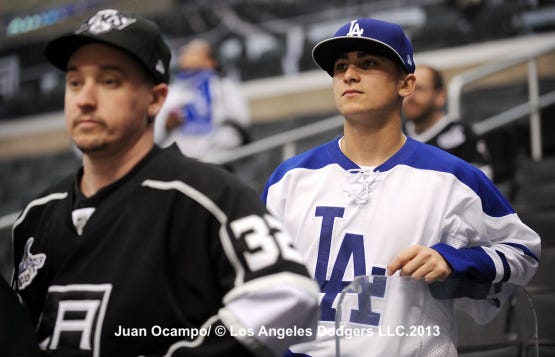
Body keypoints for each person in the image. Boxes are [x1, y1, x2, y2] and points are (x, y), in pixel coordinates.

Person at [9, 9, 319, 357]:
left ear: (155, 98)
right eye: (75, 82)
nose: (85, 99)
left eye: (110, 81)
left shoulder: (210, 196)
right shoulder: (36, 215)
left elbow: (290, 293)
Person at [261, 18, 540, 356]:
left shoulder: (453, 178)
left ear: (406, 84)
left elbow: (523, 252)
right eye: (340, 66)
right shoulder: (289, 178)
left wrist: (454, 261)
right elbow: (260, 286)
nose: (349, 74)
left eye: (368, 63)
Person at [154, 38, 251, 162]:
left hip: (218, 161)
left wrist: (208, 155)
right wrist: (167, 125)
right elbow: (154, 133)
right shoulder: (171, 92)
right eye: (185, 52)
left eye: (193, 52)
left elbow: (238, 126)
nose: (185, 55)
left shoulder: (225, 89)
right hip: (176, 165)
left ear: (211, 61)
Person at [402, 64, 493, 179]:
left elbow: (481, 182)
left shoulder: (462, 136)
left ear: (440, 96)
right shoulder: (396, 134)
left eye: (419, 89)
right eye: (407, 87)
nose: (410, 97)